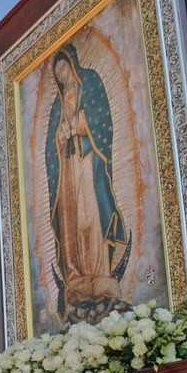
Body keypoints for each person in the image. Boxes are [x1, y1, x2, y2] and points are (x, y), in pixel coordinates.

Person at [45, 43, 129, 323]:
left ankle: (100, 274)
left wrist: (77, 124)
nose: (60, 73)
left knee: (90, 215)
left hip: (86, 160)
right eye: (56, 70)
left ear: (73, 64)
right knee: (70, 222)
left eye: (62, 67)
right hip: (67, 169)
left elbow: (100, 116)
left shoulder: (90, 82)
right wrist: (61, 134)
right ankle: (76, 278)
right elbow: (51, 142)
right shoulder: (58, 102)